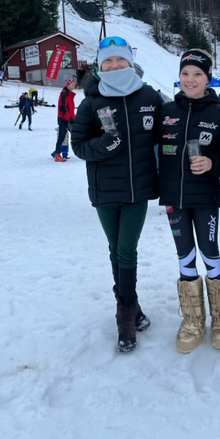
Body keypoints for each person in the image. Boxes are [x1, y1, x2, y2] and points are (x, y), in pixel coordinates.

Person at [71, 35, 162, 354]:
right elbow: (78, 145)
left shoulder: (149, 96)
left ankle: (124, 318)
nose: (114, 65)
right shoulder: (91, 101)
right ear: (99, 65)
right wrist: (106, 144)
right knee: (115, 249)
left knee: (126, 250)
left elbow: (166, 136)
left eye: (119, 59)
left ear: (130, 61)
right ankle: (132, 308)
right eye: (107, 61)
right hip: (105, 190)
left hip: (138, 190)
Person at [158, 49, 220, 353]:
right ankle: (192, 320)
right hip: (174, 198)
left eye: (197, 74)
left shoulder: (219, 114)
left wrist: (212, 163)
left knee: (209, 253)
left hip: (205, 198)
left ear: (208, 78)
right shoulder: (166, 111)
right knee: (185, 256)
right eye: (185, 73)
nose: (190, 80)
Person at [53, 77, 76, 162]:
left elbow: (70, 108)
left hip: (69, 118)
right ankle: (57, 154)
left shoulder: (69, 94)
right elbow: (62, 108)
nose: (74, 85)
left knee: (76, 134)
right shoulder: (64, 94)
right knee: (62, 137)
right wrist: (69, 118)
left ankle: (56, 152)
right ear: (68, 84)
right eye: (72, 84)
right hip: (64, 119)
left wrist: (73, 117)